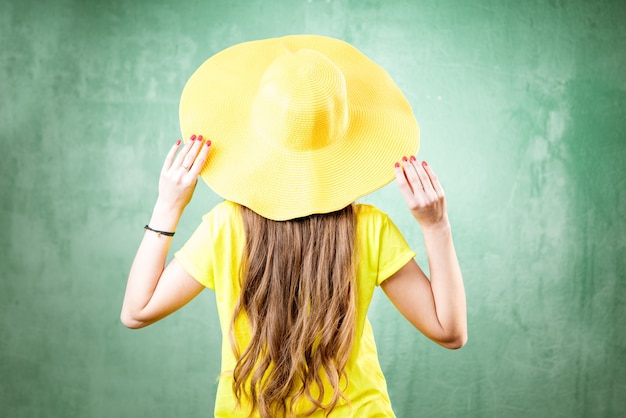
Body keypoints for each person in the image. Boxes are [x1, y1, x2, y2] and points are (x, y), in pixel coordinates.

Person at [121, 35, 466, 418]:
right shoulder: (369, 228)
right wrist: (436, 227)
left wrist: (168, 205)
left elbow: (136, 312)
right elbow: (450, 333)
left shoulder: (225, 227)